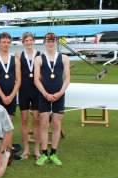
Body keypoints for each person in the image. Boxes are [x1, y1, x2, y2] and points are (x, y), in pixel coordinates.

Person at [34, 32, 70, 166]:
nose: (50, 43)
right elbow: (37, 79)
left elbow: (67, 78)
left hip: (59, 95)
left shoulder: (64, 58)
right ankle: (44, 154)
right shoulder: (39, 59)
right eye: (48, 41)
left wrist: (60, 93)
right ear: (44, 42)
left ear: (56, 42)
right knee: (44, 123)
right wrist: (45, 94)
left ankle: (53, 153)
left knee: (56, 123)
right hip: (44, 95)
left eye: (53, 41)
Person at [0, 32, 21, 150]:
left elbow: (19, 80)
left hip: (12, 96)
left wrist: (11, 96)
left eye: (8, 42)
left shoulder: (15, 59)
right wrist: (3, 96)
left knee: (9, 124)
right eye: (3, 42)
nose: (6, 45)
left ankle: (9, 149)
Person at [16, 32, 41, 160]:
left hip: (36, 91)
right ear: (23, 42)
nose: (29, 42)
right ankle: (26, 148)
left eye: (30, 40)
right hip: (24, 91)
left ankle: (36, 149)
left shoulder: (39, 56)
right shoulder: (19, 56)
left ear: (34, 41)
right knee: (24, 119)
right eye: (26, 40)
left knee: (37, 120)